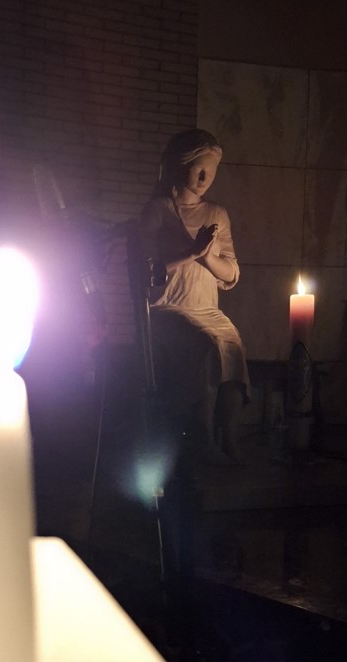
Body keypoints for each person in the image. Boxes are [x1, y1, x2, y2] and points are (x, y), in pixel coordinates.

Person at [140, 128, 250, 464]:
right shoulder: (158, 209)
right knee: (205, 347)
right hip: (168, 309)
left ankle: (229, 437)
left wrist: (207, 258)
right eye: (198, 169)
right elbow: (146, 271)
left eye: (211, 172)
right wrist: (191, 252)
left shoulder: (217, 214)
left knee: (232, 347)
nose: (204, 179)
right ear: (180, 164)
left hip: (207, 309)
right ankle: (203, 439)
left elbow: (230, 272)